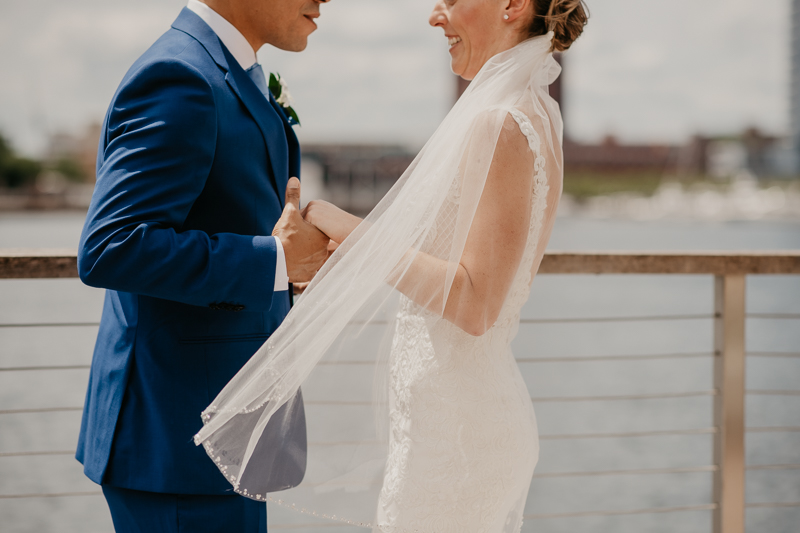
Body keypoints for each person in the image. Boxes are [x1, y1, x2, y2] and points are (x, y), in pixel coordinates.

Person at [195, 0, 588, 531]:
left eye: (449, 0)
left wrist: (337, 222)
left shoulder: (500, 122)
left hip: (456, 439)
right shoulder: (529, 109)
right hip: (449, 419)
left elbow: (474, 303)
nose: (434, 16)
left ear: (512, 6)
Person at [76, 0, 332, 531]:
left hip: (224, 432)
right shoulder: (180, 77)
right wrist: (273, 260)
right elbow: (111, 245)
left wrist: (291, 266)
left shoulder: (227, 72)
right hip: (177, 445)